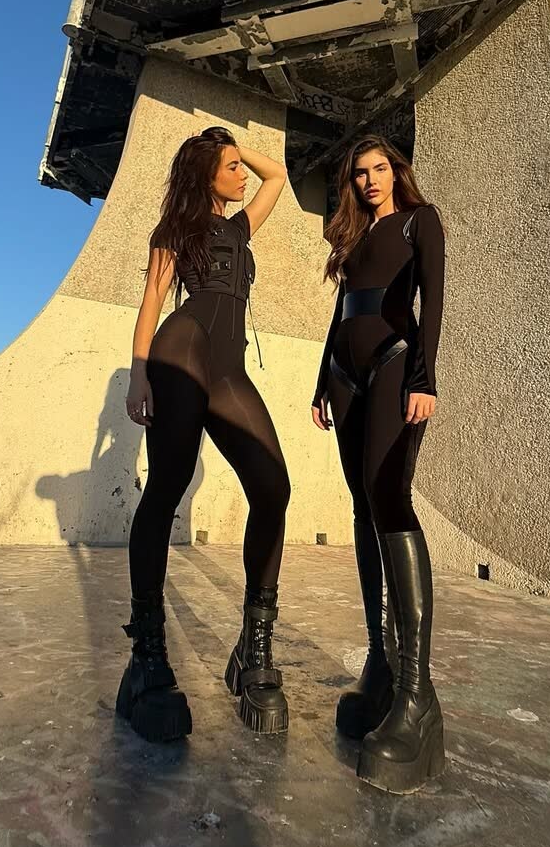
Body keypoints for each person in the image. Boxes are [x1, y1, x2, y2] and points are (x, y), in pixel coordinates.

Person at [120, 127, 292, 742]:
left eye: (239, 166)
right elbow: (152, 302)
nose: (242, 174)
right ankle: (147, 655)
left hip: (228, 370)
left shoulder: (240, 228)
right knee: (166, 485)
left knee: (273, 488)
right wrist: (139, 375)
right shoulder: (177, 229)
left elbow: (278, 175)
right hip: (182, 349)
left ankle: (253, 646)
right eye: (230, 167)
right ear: (205, 175)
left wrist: (232, 144)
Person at [311, 136, 446, 793]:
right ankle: (381, 667)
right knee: (362, 507)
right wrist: (321, 381)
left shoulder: (421, 221)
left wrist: (425, 378)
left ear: (396, 171)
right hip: (344, 373)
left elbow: (433, 303)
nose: (369, 180)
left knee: (389, 496)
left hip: (396, 362)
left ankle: (419, 697)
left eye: (379, 169)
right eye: (359, 173)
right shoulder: (352, 237)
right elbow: (341, 312)